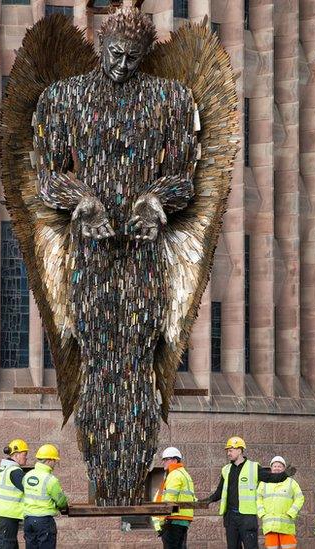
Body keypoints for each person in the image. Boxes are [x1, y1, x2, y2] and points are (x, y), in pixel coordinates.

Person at [31, 5, 200, 504]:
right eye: (114, 54)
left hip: (144, 254)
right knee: (97, 352)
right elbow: (49, 174)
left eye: (132, 57)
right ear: (101, 45)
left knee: (140, 351)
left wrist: (156, 200)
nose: (122, 64)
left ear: (146, 55)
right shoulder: (64, 99)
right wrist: (80, 200)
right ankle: (102, 470)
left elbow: (183, 176)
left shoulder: (170, 101)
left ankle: (133, 466)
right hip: (91, 253)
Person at [206, 437, 291, 549]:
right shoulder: (226, 469)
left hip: (247, 518)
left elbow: (270, 477)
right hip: (230, 518)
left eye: (230, 450)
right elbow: (219, 491)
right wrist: (207, 500)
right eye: (227, 450)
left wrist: (284, 475)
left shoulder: (253, 467)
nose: (228, 453)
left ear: (240, 450)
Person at [21, 444, 68, 549]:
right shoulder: (51, 479)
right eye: (54, 460)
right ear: (49, 460)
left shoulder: (27, 475)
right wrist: (64, 504)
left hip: (28, 521)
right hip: (44, 522)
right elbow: (61, 501)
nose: (55, 463)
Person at [152, 446, 196, 549]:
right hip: (183, 519)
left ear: (175, 460)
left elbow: (169, 501)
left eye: (166, 459)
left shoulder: (174, 475)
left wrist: (161, 523)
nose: (164, 462)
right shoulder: (184, 474)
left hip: (173, 520)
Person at [257, 456, 304, 549]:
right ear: (271, 468)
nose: (277, 468)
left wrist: (292, 513)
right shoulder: (263, 483)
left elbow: (300, 498)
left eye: (280, 466)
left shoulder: (291, 482)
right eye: (275, 466)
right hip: (270, 525)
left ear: (284, 468)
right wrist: (262, 514)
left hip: (286, 525)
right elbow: (258, 498)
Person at [0, 439, 29, 549]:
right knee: (8, 544)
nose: (26, 457)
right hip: (8, 514)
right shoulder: (15, 471)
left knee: (8, 543)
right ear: (16, 455)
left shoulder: (2, 469)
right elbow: (28, 490)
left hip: (1, 513)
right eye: (24, 454)